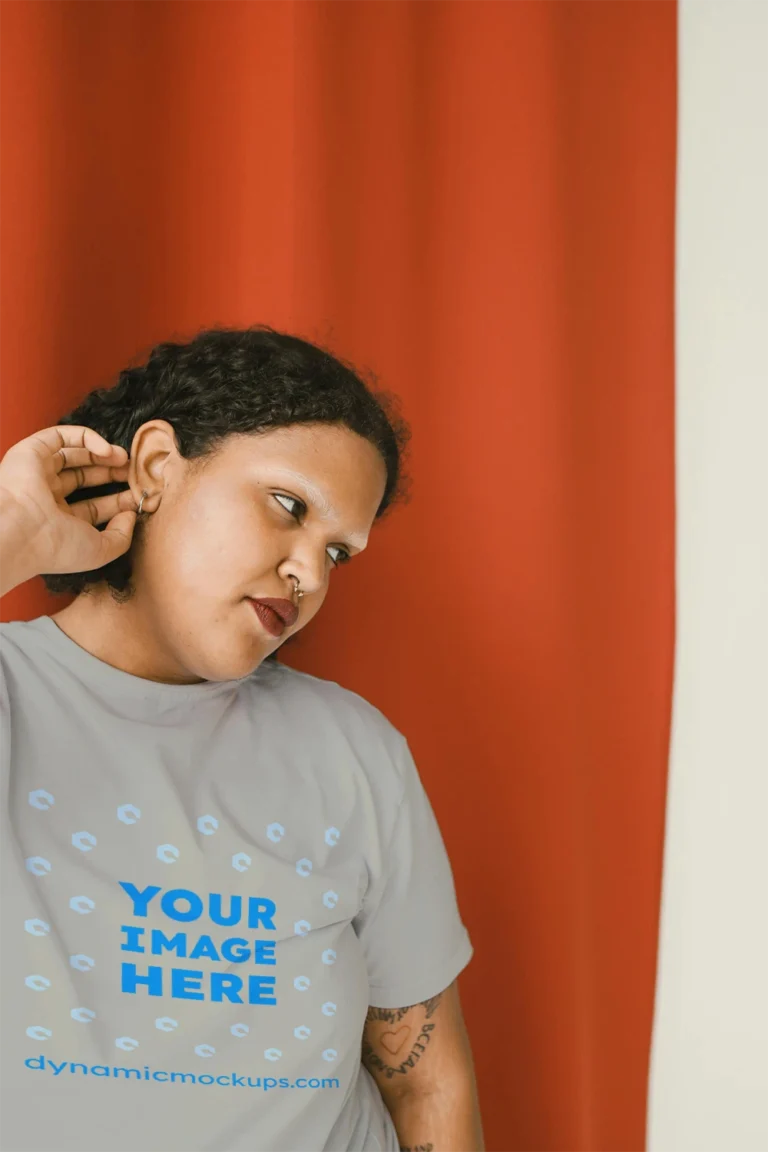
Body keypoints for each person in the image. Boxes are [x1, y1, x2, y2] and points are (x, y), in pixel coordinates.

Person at [0, 327, 484, 1152]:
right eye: (288, 506)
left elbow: (427, 1079)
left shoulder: (353, 751)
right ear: (157, 466)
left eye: (338, 552)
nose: (311, 574)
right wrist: (13, 524)